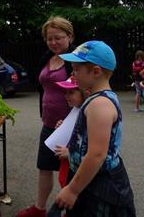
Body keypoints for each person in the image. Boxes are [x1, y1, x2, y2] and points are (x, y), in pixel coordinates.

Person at [54, 40, 136, 216]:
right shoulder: (97, 99)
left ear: (96, 71)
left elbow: (97, 154)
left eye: (76, 69)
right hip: (90, 178)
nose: (73, 75)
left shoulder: (100, 104)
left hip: (100, 185)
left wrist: (73, 190)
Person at [17, 16, 75, 217]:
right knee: (44, 167)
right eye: (49, 39)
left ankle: (69, 211)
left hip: (70, 127)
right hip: (49, 123)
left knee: (69, 171)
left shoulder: (75, 61)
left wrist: (72, 123)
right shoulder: (46, 58)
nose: (53, 42)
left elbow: (85, 92)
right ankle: (39, 209)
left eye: (58, 38)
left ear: (70, 36)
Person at [44, 77, 90, 217]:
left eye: (71, 92)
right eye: (65, 92)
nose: (66, 96)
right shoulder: (76, 109)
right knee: (65, 183)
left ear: (84, 93)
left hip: (76, 167)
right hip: (68, 165)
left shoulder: (88, 113)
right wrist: (62, 125)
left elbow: (90, 145)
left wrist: (70, 153)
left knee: (78, 197)